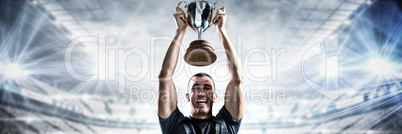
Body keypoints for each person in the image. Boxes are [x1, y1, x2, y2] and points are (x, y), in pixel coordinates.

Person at [158, 7, 244, 134]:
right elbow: (165, 78)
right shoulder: (174, 124)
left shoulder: (226, 123)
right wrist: (180, 30)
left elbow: (237, 80)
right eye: (196, 88)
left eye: (207, 88)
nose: (201, 92)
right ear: (188, 96)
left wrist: (221, 30)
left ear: (215, 97)